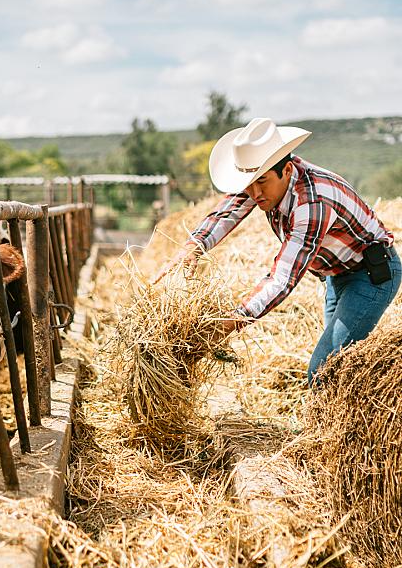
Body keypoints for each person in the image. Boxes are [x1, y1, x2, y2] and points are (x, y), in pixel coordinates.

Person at [155, 117, 401, 384]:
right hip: (337, 274)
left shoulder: (312, 203)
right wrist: (193, 247)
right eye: (249, 184)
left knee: (324, 371)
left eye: (262, 182)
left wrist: (233, 320)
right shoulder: (259, 180)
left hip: (372, 274)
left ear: (286, 171)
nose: (255, 192)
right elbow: (227, 212)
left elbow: (282, 279)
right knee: (340, 367)